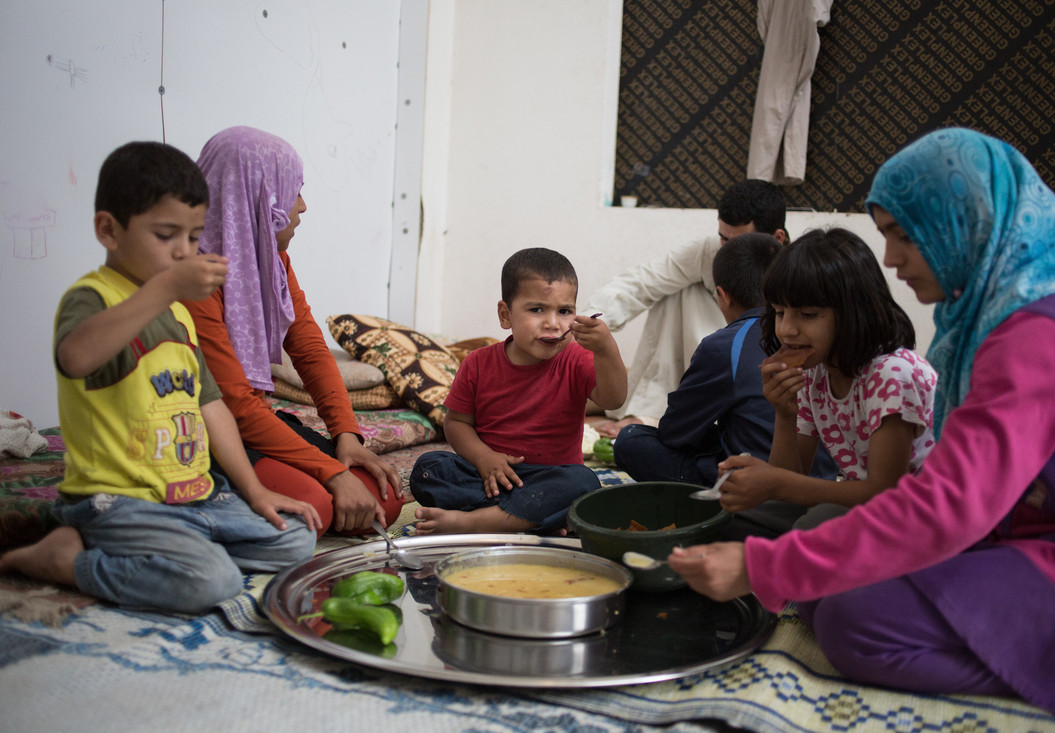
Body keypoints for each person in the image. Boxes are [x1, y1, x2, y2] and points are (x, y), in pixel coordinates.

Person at [668, 128, 1055, 724]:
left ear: (965, 220)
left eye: (904, 235)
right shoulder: (983, 325)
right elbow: (800, 472)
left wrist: (763, 565)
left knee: (852, 619)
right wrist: (786, 420)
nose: (893, 260)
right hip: (1010, 535)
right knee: (828, 593)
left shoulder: (1043, 331)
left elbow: (942, 502)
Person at [0, 141, 319, 614]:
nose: (183, 252)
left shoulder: (178, 315)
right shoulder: (92, 297)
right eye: (166, 234)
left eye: (193, 238)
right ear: (109, 230)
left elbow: (211, 407)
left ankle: (177, 551)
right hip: (120, 502)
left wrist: (254, 491)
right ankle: (67, 560)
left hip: (196, 499)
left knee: (297, 541)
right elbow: (75, 357)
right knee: (213, 583)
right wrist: (165, 287)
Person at [183, 126, 402, 537]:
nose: (302, 206)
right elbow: (233, 404)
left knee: (384, 499)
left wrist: (347, 436)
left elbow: (309, 348)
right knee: (315, 508)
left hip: (252, 421)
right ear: (258, 197)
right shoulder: (193, 279)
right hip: (205, 433)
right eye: (293, 191)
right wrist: (333, 474)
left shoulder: (273, 261)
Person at [717, 228, 936, 529]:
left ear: (854, 312)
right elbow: (790, 482)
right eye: (780, 313)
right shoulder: (816, 372)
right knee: (731, 517)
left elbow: (885, 492)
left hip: (916, 516)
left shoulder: (892, 374)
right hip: (863, 505)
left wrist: (776, 483)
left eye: (807, 314)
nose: (787, 330)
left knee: (818, 520)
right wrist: (784, 412)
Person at [410, 247, 628, 534]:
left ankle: (473, 522)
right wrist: (484, 458)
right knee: (429, 468)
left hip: (552, 478)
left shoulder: (577, 358)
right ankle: (532, 520)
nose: (552, 323)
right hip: (490, 477)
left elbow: (613, 400)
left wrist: (606, 349)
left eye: (564, 311)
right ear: (505, 315)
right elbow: (457, 423)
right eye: (537, 309)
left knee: (584, 482)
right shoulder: (478, 363)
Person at [586, 180, 789, 435]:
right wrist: (589, 324)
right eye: (723, 239)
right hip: (711, 349)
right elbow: (643, 282)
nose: (726, 250)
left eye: (738, 242)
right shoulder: (708, 252)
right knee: (677, 288)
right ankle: (650, 412)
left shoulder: (799, 269)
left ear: (777, 238)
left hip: (765, 364)